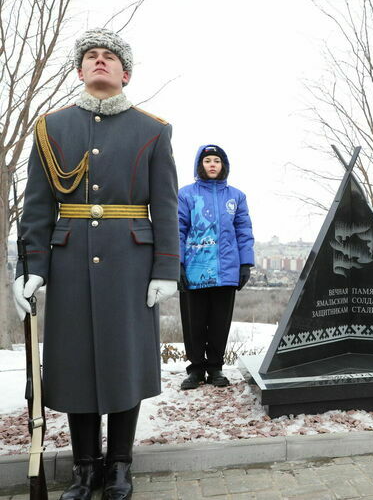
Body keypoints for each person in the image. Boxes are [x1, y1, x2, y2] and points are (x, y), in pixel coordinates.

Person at [12, 28, 179, 499]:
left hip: (131, 262)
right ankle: (86, 468)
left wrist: (166, 268)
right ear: (79, 69)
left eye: (110, 57)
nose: (100, 61)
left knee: (123, 362)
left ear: (126, 72)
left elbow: (165, 204)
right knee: (76, 364)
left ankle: (120, 466)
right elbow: (39, 205)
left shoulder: (154, 130)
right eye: (91, 56)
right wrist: (31, 267)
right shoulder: (51, 128)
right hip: (68, 263)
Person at [177, 144, 254, 389]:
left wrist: (245, 263)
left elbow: (243, 231)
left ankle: (216, 368)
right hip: (194, 270)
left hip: (226, 270)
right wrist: (176, 262)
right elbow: (177, 229)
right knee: (194, 322)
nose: (212, 164)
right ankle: (196, 370)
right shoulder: (186, 195)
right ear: (200, 165)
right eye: (208, 160)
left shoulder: (236, 197)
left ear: (224, 166)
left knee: (220, 322)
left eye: (217, 161)